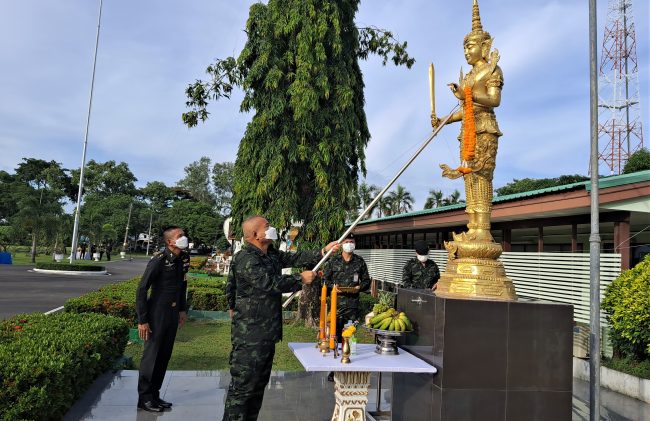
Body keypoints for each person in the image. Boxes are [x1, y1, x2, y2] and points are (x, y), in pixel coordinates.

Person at [223, 215, 339, 421]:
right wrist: (300, 279)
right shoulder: (247, 258)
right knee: (243, 389)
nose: (271, 228)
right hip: (250, 335)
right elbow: (270, 283)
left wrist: (323, 251)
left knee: (258, 387)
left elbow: (293, 258)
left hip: (267, 333)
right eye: (267, 226)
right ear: (255, 235)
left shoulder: (270, 253)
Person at [432, 0, 504, 242]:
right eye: (464, 47)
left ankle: (482, 230)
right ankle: (473, 227)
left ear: (484, 46)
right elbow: (465, 109)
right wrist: (444, 120)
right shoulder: (470, 76)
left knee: (481, 176)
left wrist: (468, 94)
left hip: (485, 129)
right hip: (468, 131)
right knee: (469, 179)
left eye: (470, 46)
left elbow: (494, 100)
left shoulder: (492, 70)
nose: (466, 51)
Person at [135, 226, 191, 412]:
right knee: (152, 356)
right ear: (170, 242)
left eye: (184, 235)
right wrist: (143, 320)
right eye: (180, 236)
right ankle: (144, 398)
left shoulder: (183, 258)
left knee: (164, 355)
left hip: (173, 313)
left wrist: (182, 309)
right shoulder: (158, 260)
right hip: (156, 313)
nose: (184, 238)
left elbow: (182, 285)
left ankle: (155, 394)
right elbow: (142, 289)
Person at [322, 233, 370, 381]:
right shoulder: (333, 261)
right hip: (336, 306)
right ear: (342, 244)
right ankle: (334, 369)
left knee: (350, 337)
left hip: (352, 307)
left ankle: (350, 367)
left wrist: (359, 288)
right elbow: (325, 279)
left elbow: (367, 281)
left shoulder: (359, 262)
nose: (349, 244)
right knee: (334, 337)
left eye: (352, 241)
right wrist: (333, 287)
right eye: (347, 241)